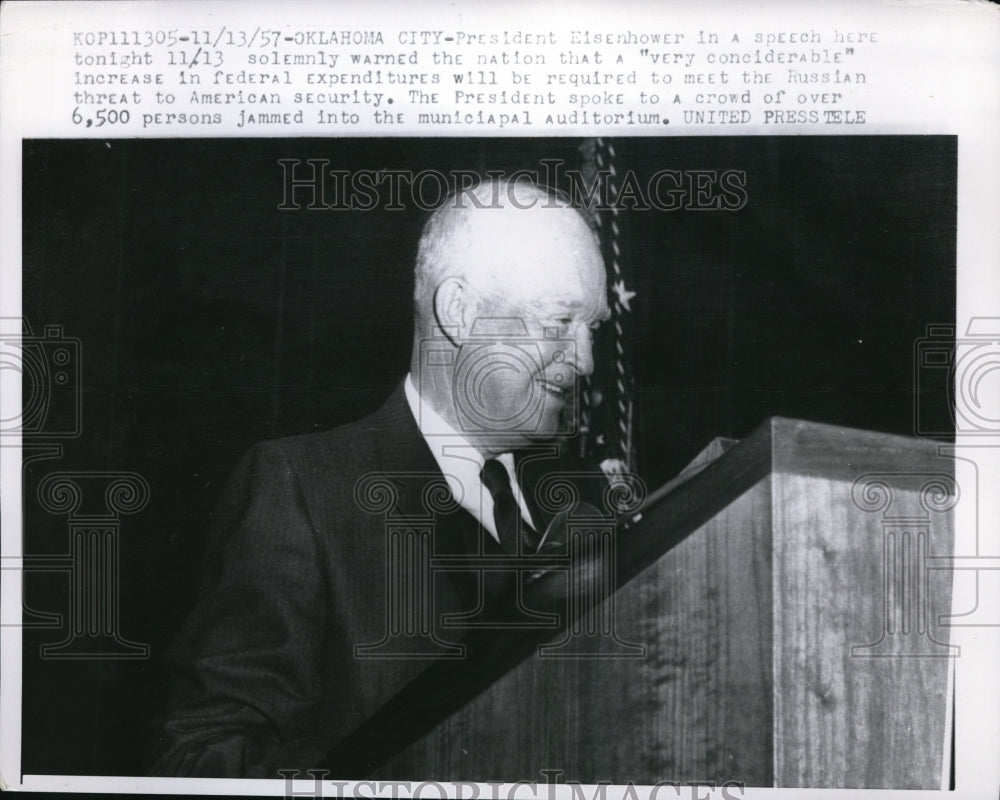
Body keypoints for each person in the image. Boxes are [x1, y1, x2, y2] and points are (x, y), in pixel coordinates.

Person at [147, 178, 612, 778]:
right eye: (559, 322)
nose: (586, 359)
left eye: (593, 328)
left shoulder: (590, 513)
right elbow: (201, 761)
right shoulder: (305, 491)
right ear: (459, 312)